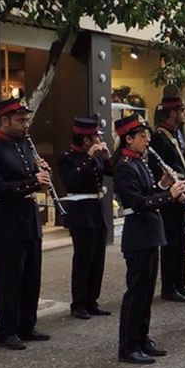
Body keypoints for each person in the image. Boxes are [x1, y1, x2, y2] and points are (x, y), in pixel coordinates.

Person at [113, 113, 185, 364]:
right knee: (136, 292)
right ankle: (128, 345)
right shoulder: (124, 166)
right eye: (142, 136)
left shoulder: (139, 162)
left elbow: (149, 192)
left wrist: (163, 184)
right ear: (128, 138)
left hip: (150, 232)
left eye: (147, 135)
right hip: (138, 233)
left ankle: (142, 337)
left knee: (146, 292)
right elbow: (137, 202)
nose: (147, 140)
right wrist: (168, 194)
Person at [0, 97, 51, 350]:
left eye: (27, 120)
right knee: (10, 278)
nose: (25, 125)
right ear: (5, 120)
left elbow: (28, 176)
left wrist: (40, 172)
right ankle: (7, 330)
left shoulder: (25, 145)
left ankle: (26, 325)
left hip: (28, 218)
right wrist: (33, 182)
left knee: (32, 275)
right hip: (6, 222)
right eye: (20, 120)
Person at [57, 115, 112, 320]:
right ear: (87, 140)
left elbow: (111, 171)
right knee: (83, 258)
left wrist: (106, 157)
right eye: (96, 136)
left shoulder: (97, 155)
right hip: (80, 212)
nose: (99, 139)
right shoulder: (67, 157)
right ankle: (79, 302)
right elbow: (72, 181)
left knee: (98, 258)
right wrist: (89, 158)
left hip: (97, 209)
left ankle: (92, 300)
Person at [148, 96, 185, 302]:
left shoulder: (177, 133)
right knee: (170, 240)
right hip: (169, 191)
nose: (184, 113)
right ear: (173, 112)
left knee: (179, 239)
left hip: (180, 188)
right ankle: (168, 286)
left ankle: (179, 282)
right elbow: (159, 168)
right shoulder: (159, 136)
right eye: (182, 110)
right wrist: (171, 189)